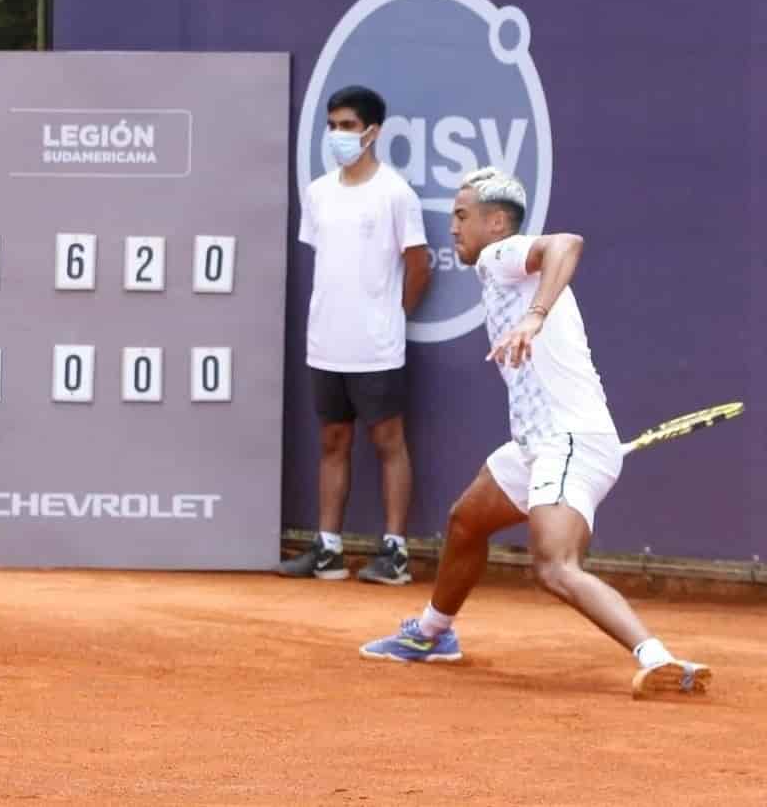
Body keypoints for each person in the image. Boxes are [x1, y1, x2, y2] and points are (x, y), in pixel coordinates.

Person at [359, 167, 711, 698]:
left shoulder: (505, 257)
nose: (452, 227)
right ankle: (432, 633)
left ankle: (659, 658)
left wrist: (534, 316)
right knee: (467, 522)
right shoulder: (498, 271)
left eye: (461, 216)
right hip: (538, 443)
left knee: (554, 565)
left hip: (567, 442)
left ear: (496, 223)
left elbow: (567, 242)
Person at [278, 85, 432, 585]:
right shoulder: (319, 193)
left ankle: (395, 553)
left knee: (389, 442)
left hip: (377, 346)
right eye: (332, 125)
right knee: (333, 442)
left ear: (372, 132)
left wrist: (392, 315)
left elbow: (418, 265)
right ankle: (328, 550)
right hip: (325, 341)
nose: (337, 135)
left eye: (347, 125)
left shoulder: (395, 193)